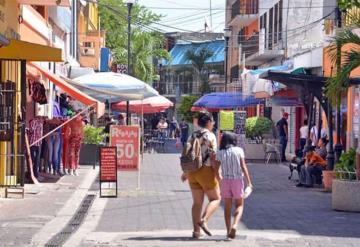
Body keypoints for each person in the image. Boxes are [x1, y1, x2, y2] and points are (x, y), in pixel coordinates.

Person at [181, 111, 220, 239]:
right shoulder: (210, 136)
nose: (213, 124)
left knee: (197, 203)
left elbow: (188, 154)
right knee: (215, 198)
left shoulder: (192, 134)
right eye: (212, 122)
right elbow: (213, 156)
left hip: (192, 172)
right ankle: (204, 220)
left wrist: (185, 173)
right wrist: (217, 173)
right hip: (206, 170)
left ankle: (196, 232)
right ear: (208, 122)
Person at [215, 132, 253, 239]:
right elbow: (244, 167)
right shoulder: (239, 150)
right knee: (239, 205)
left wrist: (219, 180)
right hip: (237, 180)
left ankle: (228, 231)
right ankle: (235, 225)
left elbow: (216, 170)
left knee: (227, 208)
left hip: (225, 181)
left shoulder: (220, 152)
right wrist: (249, 182)